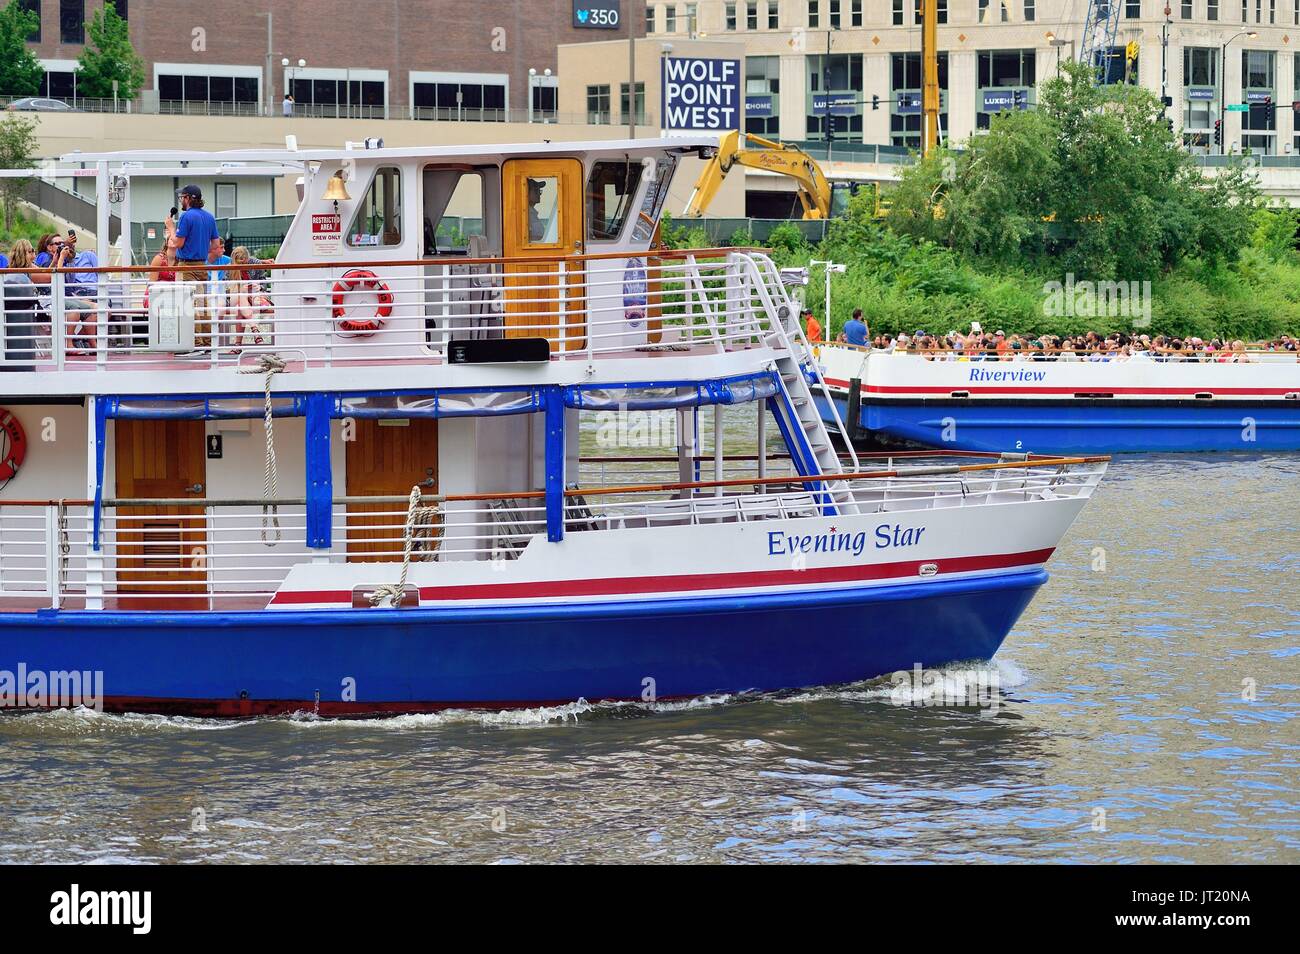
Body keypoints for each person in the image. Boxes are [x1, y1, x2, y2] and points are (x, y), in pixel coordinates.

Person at [170, 184, 221, 348]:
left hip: (186, 267)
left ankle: (196, 342)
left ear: (188, 198)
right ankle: (206, 342)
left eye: (182, 197)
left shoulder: (186, 217)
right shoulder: (209, 217)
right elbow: (216, 244)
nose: (181, 201)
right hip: (202, 266)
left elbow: (178, 242)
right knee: (202, 304)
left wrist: (171, 228)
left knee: (189, 305)